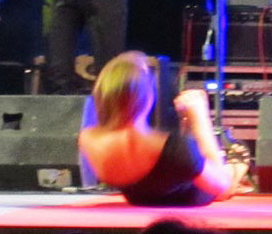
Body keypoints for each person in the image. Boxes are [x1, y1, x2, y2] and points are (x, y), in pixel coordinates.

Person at [79, 51, 249, 206]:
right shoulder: (170, 146)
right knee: (234, 166)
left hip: (142, 195)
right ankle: (237, 168)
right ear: (147, 95)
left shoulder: (88, 138)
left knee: (188, 154)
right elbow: (221, 187)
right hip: (191, 194)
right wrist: (199, 117)